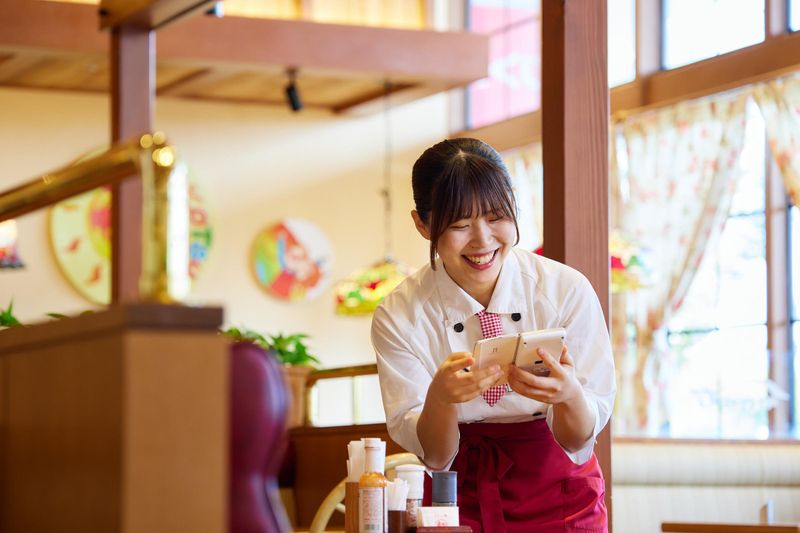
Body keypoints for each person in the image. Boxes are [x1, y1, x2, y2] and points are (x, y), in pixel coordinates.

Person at [371, 138, 615, 533]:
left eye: (497, 216)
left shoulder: (565, 290)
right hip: (457, 494)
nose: (483, 241)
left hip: (562, 490)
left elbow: (578, 438)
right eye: (459, 225)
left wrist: (568, 394)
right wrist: (440, 398)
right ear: (423, 224)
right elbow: (435, 455)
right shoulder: (400, 315)